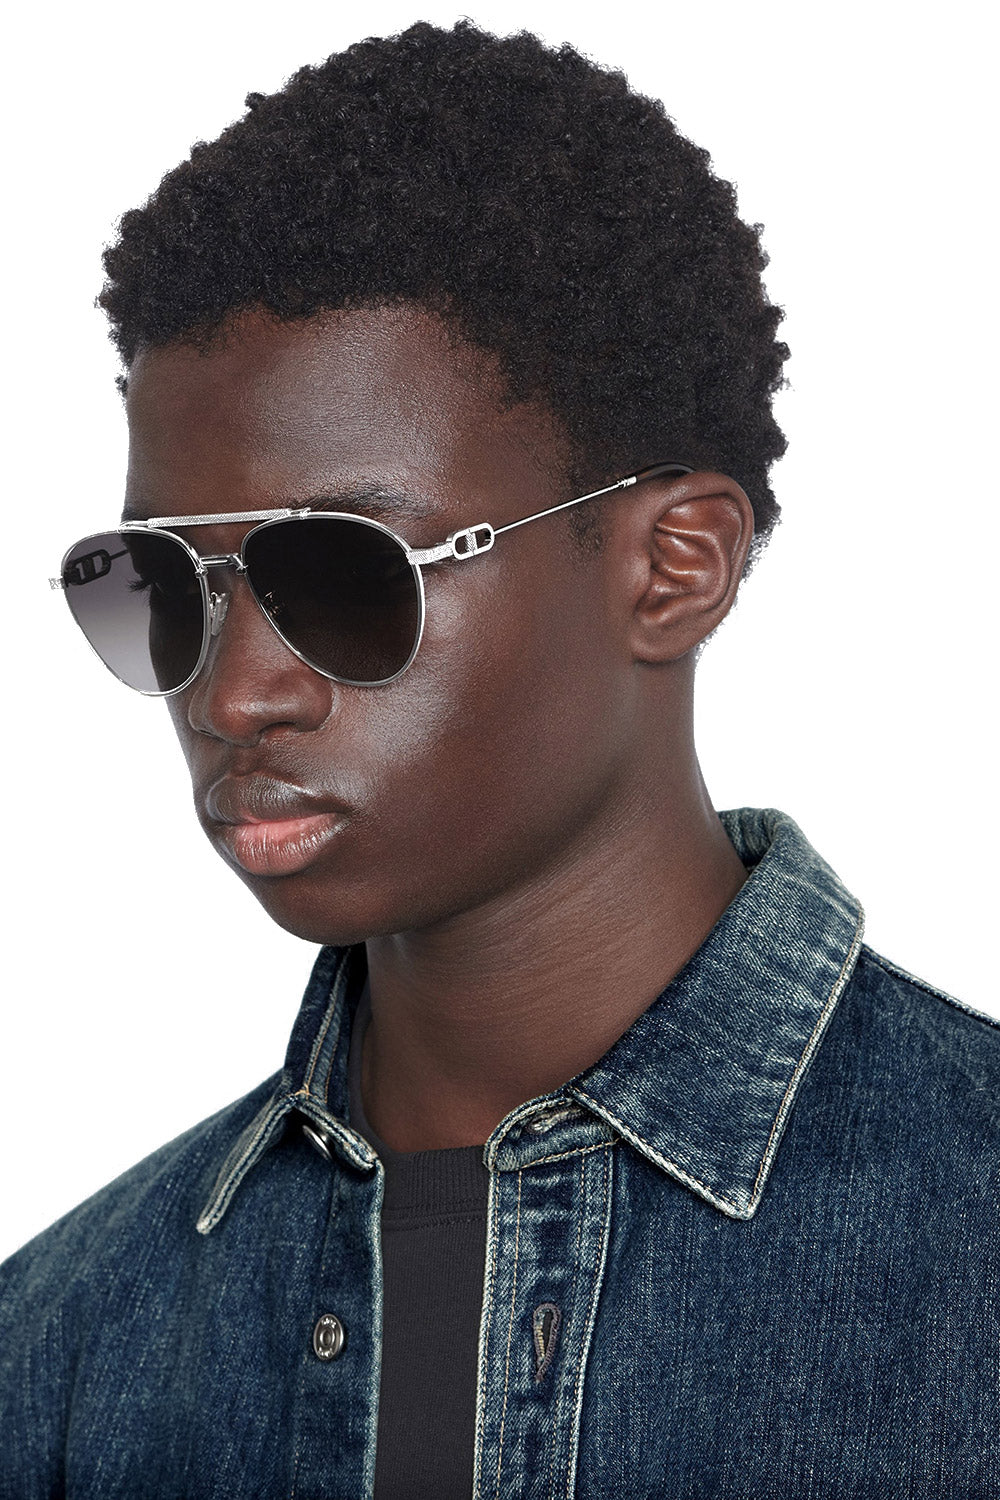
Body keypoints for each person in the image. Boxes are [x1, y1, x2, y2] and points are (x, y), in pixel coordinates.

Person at [2, 19, 996, 1499]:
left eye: (345, 575)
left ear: (674, 566)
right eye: (159, 585)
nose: (237, 691)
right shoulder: (60, 1355)